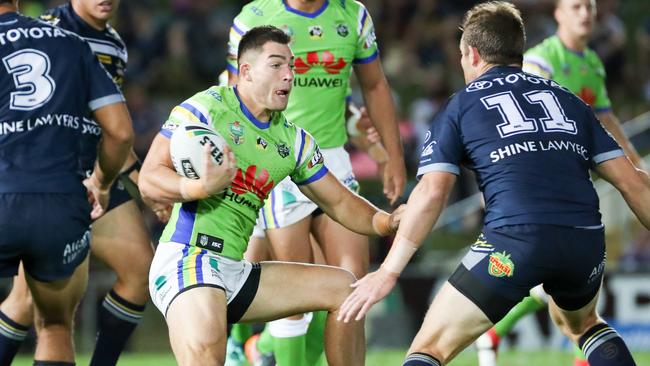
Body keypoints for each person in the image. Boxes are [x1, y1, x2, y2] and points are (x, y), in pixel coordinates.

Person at [338, 2, 650, 366]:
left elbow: (432, 192)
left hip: (515, 242)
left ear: (471, 53)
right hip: (584, 240)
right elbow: (633, 183)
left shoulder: (461, 106)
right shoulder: (570, 101)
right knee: (584, 326)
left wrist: (388, 272)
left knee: (429, 349)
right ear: (518, 51)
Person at [140, 25, 403, 366]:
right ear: (245, 71)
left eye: (292, 67)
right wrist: (198, 188)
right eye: (277, 65)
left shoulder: (293, 140)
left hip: (235, 271)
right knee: (207, 352)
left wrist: (388, 221)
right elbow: (149, 178)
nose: (289, 76)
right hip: (189, 259)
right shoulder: (208, 107)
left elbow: (339, 202)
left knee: (345, 290)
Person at [225, 1, 406, 364]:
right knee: (295, 294)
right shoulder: (254, 17)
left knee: (351, 285)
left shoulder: (352, 14)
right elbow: (236, 93)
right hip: (277, 157)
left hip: (332, 159)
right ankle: (253, 348)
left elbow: (375, 85)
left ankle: (259, 350)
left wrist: (392, 155)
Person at [477, 1, 646, 365]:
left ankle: (494, 332)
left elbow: (606, 120)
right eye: (575, 6)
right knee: (574, 293)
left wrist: (636, 169)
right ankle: (495, 332)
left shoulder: (592, 63)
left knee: (568, 288)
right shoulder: (541, 59)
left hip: (575, 188)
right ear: (558, 14)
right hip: (543, 190)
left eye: (589, 6)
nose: (585, 13)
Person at [0, 1, 155, 364]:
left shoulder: (115, 43)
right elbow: (118, 127)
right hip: (61, 174)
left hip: (85, 171)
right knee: (38, 308)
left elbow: (110, 127)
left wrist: (138, 178)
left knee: (141, 269)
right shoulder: (55, 30)